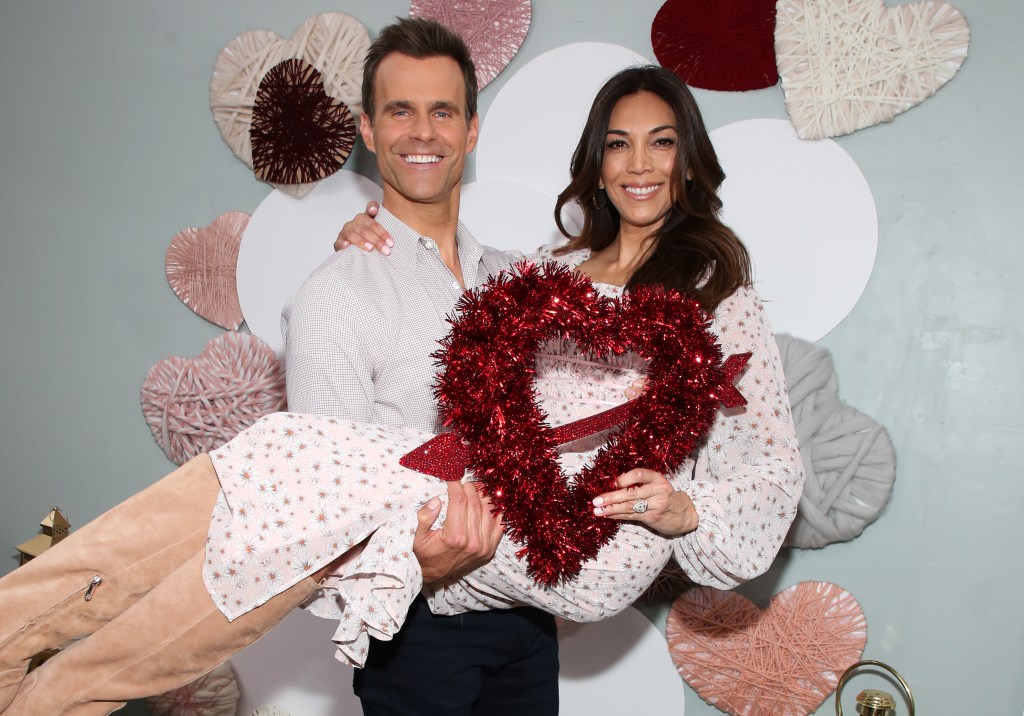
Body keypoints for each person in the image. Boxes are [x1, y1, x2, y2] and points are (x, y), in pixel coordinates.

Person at [0, 41, 803, 716]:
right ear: (367, 132)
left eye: (661, 142)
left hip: (570, 555)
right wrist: (358, 253)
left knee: (278, 465)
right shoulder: (493, 279)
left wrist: (685, 508)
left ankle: (31, 662)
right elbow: (336, 549)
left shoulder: (541, 277)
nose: (638, 164)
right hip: (439, 608)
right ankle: (30, 665)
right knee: (276, 486)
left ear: (472, 129)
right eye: (619, 143)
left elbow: (767, 463)